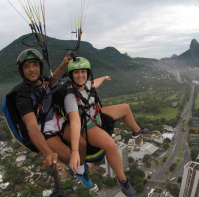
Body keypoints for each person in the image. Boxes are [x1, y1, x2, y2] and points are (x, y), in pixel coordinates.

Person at [62, 57, 149, 197]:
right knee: (111, 146)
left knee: (125, 108)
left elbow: (95, 83)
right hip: (87, 125)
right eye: (76, 72)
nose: (80, 75)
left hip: (96, 115)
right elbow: (75, 122)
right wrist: (75, 151)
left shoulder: (88, 85)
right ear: (71, 75)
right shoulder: (70, 97)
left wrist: (104, 77)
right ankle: (123, 180)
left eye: (83, 72)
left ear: (87, 73)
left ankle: (137, 131)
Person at [14, 49, 94, 188]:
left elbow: (51, 81)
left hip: (58, 120)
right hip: (43, 129)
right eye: (27, 66)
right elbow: (31, 126)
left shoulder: (43, 79)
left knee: (82, 144)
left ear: (40, 66)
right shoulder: (22, 95)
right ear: (22, 70)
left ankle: (80, 168)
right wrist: (47, 153)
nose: (32, 69)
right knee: (69, 156)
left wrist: (63, 64)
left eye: (34, 65)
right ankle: (79, 172)